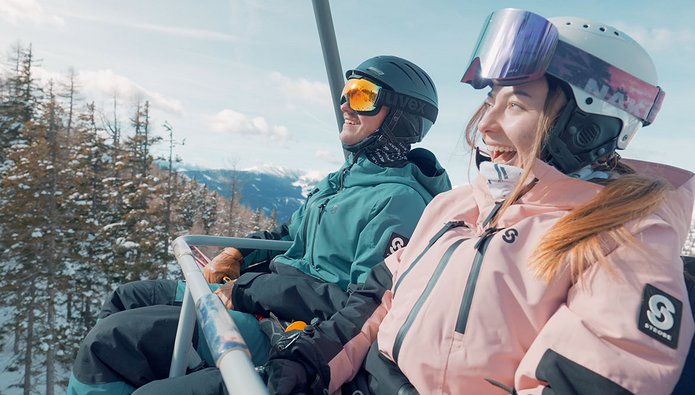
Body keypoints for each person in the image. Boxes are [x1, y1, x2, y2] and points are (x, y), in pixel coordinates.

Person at [264, 9, 695, 394]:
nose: (486, 125)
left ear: (587, 129)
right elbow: (378, 299)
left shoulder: (626, 241)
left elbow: (594, 376)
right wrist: (314, 360)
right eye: (491, 100)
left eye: (517, 105)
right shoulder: (454, 207)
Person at [67, 55, 452, 394]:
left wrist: (250, 289)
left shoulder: (399, 203)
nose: (345, 105)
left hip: (290, 328)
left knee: (112, 342)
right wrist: (237, 253)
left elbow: (360, 304)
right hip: (260, 297)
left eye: (363, 96)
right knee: (129, 298)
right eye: (346, 92)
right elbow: (290, 233)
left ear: (401, 119)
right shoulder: (345, 179)